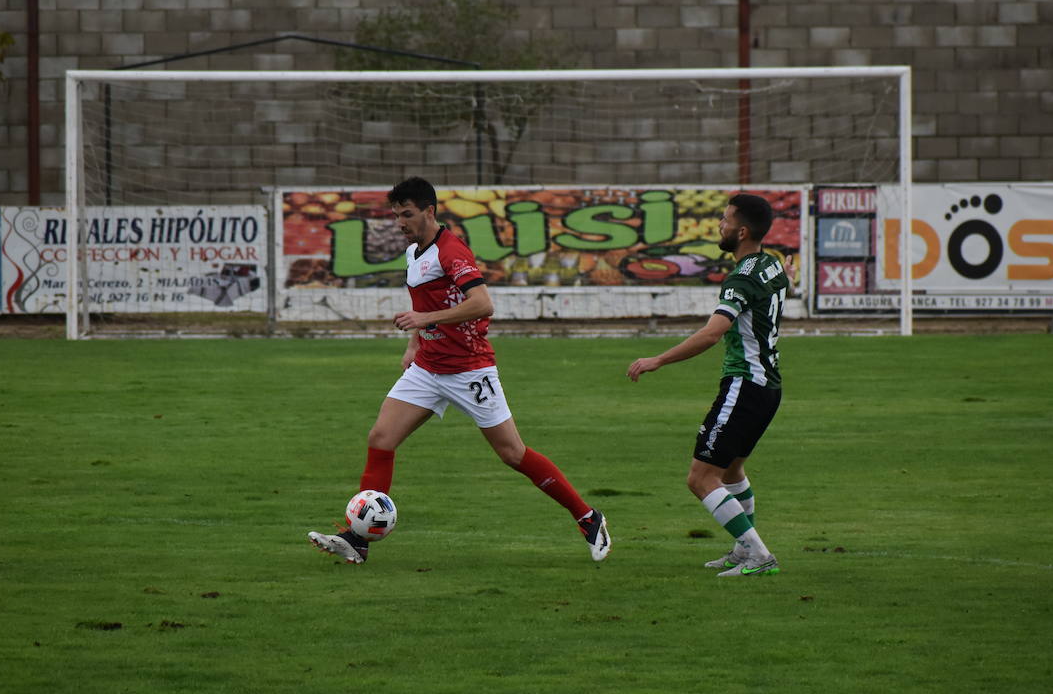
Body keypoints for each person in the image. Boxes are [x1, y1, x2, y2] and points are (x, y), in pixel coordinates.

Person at [309, 176, 610, 565]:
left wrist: (425, 318)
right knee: (381, 438)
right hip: (428, 368)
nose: (400, 223)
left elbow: (483, 304)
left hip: (470, 370)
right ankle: (357, 540)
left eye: (407, 214)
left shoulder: (452, 251)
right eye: (396, 215)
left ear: (429, 211)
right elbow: (421, 301)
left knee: (513, 454)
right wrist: (414, 342)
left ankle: (587, 517)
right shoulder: (414, 251)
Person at [626, 193, 796, 577]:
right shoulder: (771, 265)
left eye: (724, 219)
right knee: (731, 471)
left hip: (745, 385)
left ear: (741, 231)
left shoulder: (740, 278)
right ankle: (742, 548)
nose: (718, 225)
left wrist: (658, 360)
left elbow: (711, 334)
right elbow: (784, 279)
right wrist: (789, 276)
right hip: (769, 388)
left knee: (701, 478)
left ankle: (759, 555)